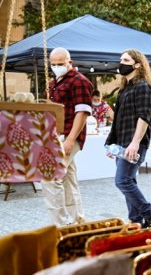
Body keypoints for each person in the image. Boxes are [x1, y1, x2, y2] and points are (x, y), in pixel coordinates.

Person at [105, 49, 151, 228]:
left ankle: (149, 213)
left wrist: (135, 143)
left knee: (123, 180)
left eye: (126, 60)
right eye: (121, 59)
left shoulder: (143, 87)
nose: (121, 62)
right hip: (122, 143)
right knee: (129, 180)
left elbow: (144, 117)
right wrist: (111, 144)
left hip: (134, 143)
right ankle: (135, 220)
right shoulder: (125, 89)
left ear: (137, 64)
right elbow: (119, 121)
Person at [45, 47, 93, 225]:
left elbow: (82, 113)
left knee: (51, 176)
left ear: (69, 62)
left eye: (60, 64)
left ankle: (59, 225)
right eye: (54, 64)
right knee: (68, 179)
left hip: (68, 135)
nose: (57, 67)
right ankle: (76, 221)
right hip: (56, 135)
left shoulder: (79, 81)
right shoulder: (54, 82)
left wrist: (71, 139)